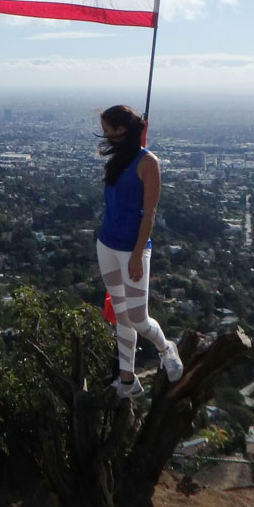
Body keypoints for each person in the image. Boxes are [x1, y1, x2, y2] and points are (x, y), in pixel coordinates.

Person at [96, 103, 183, 399]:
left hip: (133, 249)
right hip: (106, 244)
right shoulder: (121, 158)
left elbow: (149, 214)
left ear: (122, 130)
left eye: (109, 129)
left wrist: (136, 256)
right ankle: (127, 379)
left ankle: (165, 348)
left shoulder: (148, 163)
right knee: (121, 317)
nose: (105, 135)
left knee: (137, 317)